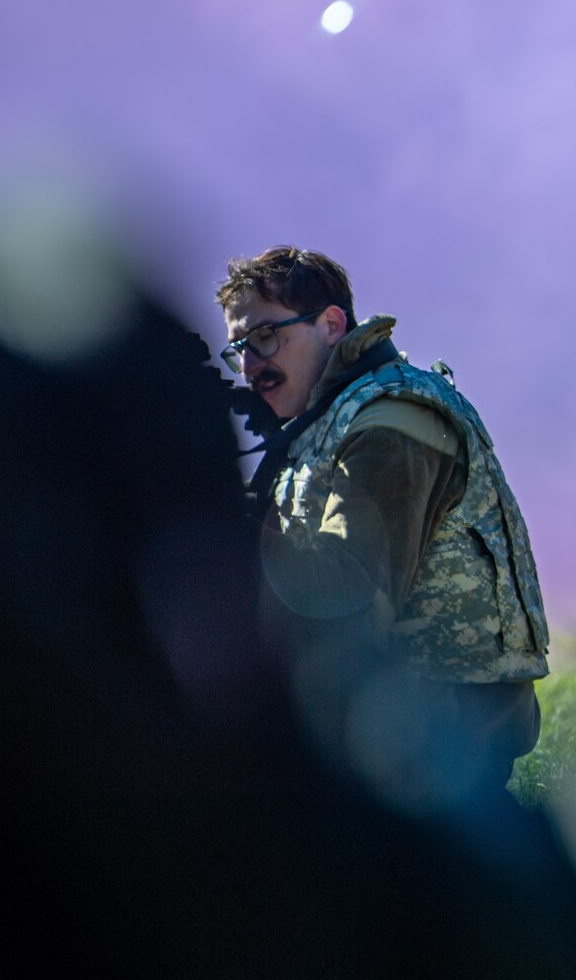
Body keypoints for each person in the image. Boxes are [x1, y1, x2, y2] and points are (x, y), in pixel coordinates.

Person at [217, 246, 550, 804]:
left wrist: (223, 529)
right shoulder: (323, 423)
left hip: (437, 746)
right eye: (239, 349)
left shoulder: (391, 420)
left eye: (266, 337)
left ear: (331, 324)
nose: (252, 364)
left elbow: (349, 600)